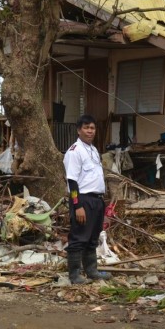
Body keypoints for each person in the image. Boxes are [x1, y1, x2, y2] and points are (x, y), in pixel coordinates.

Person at [63, 115, 112, 284]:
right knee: (79, 237)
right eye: (86, 128)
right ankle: (75, 275)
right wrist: (77, 206)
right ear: (79, 130)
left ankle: (92, 271)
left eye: (92, 128)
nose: (90, 131)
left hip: (96, 200)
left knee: (92, 237)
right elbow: (72, 181)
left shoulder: (93, 149)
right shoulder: (74, 151)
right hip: (82, 200)